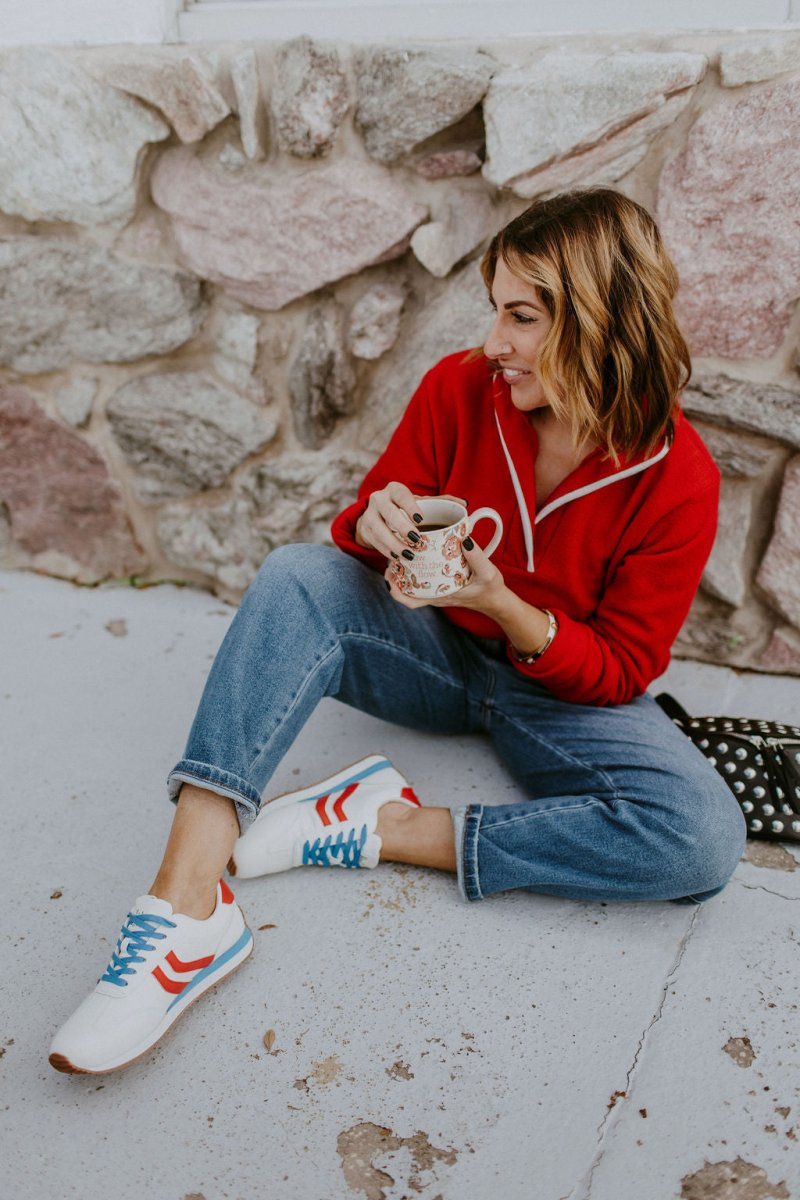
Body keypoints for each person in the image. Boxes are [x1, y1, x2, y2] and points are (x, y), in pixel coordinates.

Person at [49, 187, 746, 1076]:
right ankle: (186, 912)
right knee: (298, 573)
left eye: (521, 317)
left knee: (700, 837)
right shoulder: (461, 387)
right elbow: (368, 526)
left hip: (560, 696)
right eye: (496, 310)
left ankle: (383, 825)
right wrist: (373, 521)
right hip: (432, 654)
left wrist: (502, 605)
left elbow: (620, 668)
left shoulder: (676, 476)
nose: (493, 342)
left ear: (604, 321)